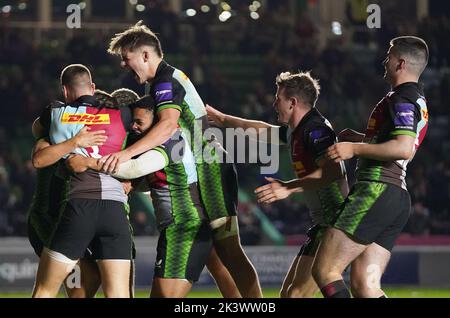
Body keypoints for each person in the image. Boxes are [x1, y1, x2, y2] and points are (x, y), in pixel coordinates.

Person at [103, 21, 261, 297]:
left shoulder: (164, 81)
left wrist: (126, 154)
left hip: (211, 170)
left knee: (229, 250)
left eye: (126, 59)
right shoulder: (168, 78)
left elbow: (167, 126)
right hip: (206, 168)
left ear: (145, 55)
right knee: (214, 254)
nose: (124, 66)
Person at [68, 95, 241, 298]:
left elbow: (134, 168)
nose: (134, 127)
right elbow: (152, 178)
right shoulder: (157, 144)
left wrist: (88, 162)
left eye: (139, 122)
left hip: (184, 227)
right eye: (133, 121)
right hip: (176, 228)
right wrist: (133, 183)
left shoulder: (170, 141)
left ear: (158, 122)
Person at [206, 71, 349, 298]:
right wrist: (223, 119)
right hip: (323, 224)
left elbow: (334, 172)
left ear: (292, 103)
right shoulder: (298, 130)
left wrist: (288, 187)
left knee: (296, 295)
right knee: (287, 294)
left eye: (278, 98)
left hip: (337, 224)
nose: (274, 104)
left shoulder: (316, 129)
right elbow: (262, 130)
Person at [312, 36, 430, 298]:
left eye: (389, 56)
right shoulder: (415, 99)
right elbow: (398, 145)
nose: (384, 61)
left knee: (325, 270)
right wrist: (362, 139)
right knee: (366, 286)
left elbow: (402, 148)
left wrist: (355, 149)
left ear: (400, 63)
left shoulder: (403, 98)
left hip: (376, 191)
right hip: (395, 195)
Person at [32, 64, 134, 298]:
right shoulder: (122, 114)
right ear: (93, 87)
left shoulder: (55, 113)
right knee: (119, 294)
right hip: (115, 210)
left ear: (65, 91)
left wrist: (64, 139)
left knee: (45, 290)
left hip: (79, 208)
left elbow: (37, 131)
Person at [29, 119, 106, 298]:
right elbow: (39, 153)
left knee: (87, 278)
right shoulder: (47, 141)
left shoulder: (76, 144)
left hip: (65, 220)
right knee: (83, 277)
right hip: (46, 219)